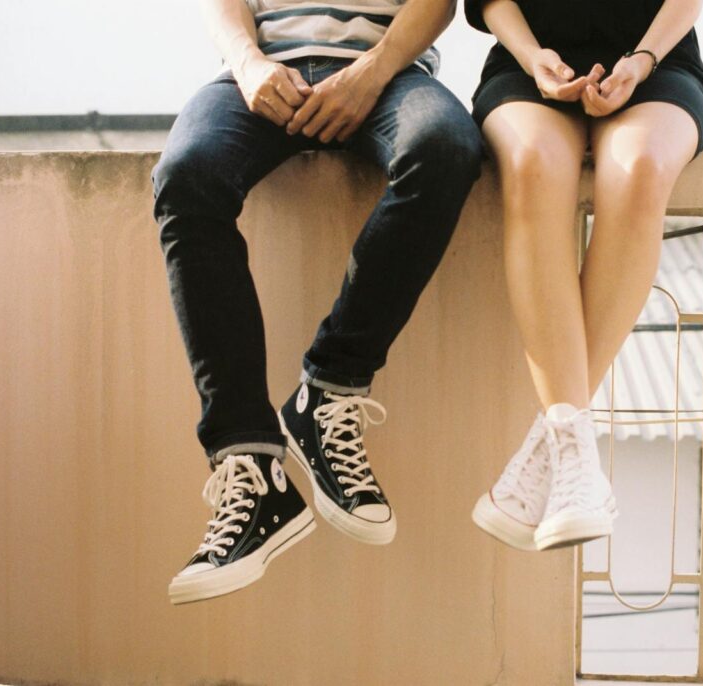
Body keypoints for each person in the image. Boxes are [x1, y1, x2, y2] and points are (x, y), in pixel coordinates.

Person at [152, 0, 482, 604]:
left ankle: (328, 387)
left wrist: (373, 70)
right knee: (186, 173)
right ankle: (251, 465)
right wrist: (249, 64)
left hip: (388, 77)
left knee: (446, 146)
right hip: (258, 75)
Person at [465, 0, 703, 551]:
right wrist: (535, 59)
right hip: (528, 69)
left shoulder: (653, 61)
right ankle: (575, 460)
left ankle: (556, 448)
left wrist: (640, 61)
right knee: (531, 162)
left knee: (641, 167)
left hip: (658, 65)